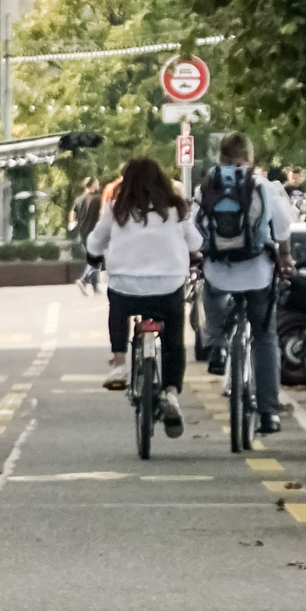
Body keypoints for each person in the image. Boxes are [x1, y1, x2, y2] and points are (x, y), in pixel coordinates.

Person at [87, 156, 199, 433]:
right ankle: (171, 392)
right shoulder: (176, 208)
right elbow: (196, 242)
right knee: (173, 340)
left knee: (117, 308)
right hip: (167, 285)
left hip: (127, 286)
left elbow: (95, 241)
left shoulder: (117, 208)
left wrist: (93, 257)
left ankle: (119, 364)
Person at [195, 132, 293, 437]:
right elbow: (282, 228)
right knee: (265, 338)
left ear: (221, 158)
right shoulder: (264, 186)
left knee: (209, 291)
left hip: (219, 270)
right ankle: (269, 413)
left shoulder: (207, 186)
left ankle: (217, 346)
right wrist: (286, 257)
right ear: (249, 158)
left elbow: (194, 228)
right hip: (257, 271)